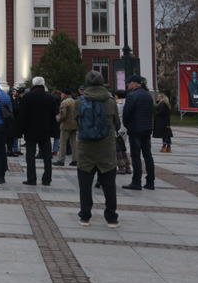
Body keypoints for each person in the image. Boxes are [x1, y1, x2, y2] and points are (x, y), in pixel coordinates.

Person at [77, 70, 121, 228]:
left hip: (85, 149)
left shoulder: (79, 101)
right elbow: (117, 123)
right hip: (106, 149)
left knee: (85, 186)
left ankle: (85, 216)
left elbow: (76, 123)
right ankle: (111, 218)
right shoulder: (110, 101)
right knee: (109, 186)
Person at [18, 77, 56, 186]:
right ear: (43, 84)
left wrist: (22, 130)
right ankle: (47, 179)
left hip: (30, 131)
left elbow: (22, 115)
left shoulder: (28, 97)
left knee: (30, 156)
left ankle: (31, 179)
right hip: (45, 131)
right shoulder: (49, 97)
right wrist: (52, 130)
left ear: (33, 84)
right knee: (47, 156)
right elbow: (53, 116)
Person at [122, 75, 156, 191]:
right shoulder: (148, 95)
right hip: (146, 129)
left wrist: (127, 125)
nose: (127, 85)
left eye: (129, 82)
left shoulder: (131, 96)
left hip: (135, 129)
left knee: (135, 156)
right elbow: (151, 111)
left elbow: (126, 114)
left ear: (136, 83)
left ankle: (136, 181)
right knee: (148, 155)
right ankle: (150, 181)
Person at [55, 90, 78, 166]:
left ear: (65, 94)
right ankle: (75, 159)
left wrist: (58, 119)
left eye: (61, 94)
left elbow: (63, 115)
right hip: (74, 125)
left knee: (62, 143)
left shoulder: (64, 102)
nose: (61, 95)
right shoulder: (74, 101)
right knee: (74, 143)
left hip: (66, 125)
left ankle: (61, 160)